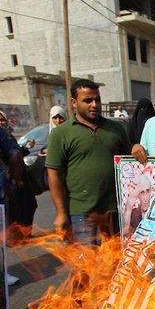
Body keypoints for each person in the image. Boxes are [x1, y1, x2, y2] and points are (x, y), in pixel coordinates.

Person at [46, 79, 131, 244]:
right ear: (74, 102)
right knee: (85, 265)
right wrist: (61, 212)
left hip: (114, 211)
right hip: (81, 212)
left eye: (97, 99)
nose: (94, 104)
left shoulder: (116, 129)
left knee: (117, 263)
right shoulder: (61, 134)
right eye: (87, 100)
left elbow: (129, 164)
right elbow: (54, 173)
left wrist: (136, 148)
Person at [0, 109, 38, 242]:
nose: (0, 123)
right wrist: (13, 179)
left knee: (29, 204)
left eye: (2, 120)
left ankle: (25, 233)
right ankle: (13, 238)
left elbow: (17, 154)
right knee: (12, 209)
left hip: (22, 177)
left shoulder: (8, 137)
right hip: (8, 179)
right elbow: (1, 159)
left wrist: (26, 148)